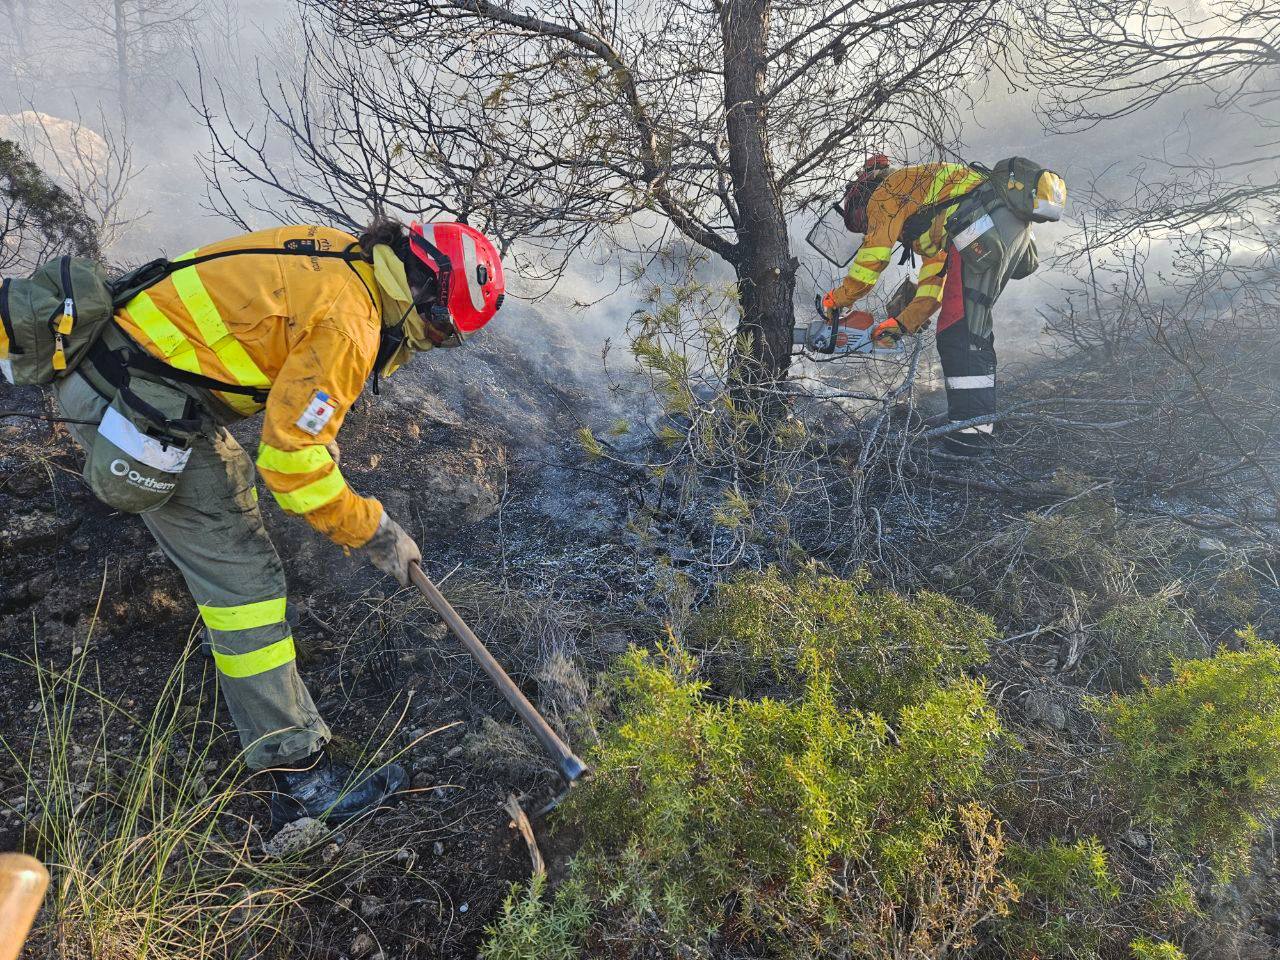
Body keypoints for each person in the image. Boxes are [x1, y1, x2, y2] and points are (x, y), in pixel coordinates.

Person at [54, 219, 505, 824]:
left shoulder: (343, 257)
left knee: (235, 496)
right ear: (423, 292)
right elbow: (290, 464)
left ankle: (288, 751)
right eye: (442, 330)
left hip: (126, 366)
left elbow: (296, 404)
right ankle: (299, 780)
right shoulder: (353, 323)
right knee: (248, 585)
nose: (432, 344)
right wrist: (374, 532)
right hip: (130, 398)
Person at [822, 155, 1041, 456]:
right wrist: (901, 323)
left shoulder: (887, 192)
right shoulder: (927, 205)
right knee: (964, 326)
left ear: (862, 199)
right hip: (995, 223)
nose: (869, 228)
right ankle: (966, 418)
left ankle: (971, 437)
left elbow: (871, 261)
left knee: (961, 331)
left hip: (983, 224)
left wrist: (837, 299)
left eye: (865, 224)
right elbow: (933, 283)